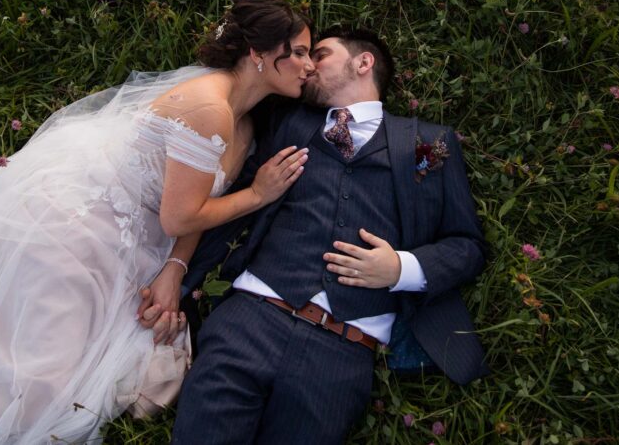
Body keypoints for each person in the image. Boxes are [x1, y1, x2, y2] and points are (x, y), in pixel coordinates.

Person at [0, 0, 314, 445]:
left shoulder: (245, 124)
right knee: (37, 381)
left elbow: (190, 208)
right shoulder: (209, 109)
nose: (309, 66)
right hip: (70, 229)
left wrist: (175, 268)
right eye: (300, 51)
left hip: (123, 242)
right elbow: (180, 216)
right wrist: (257, 194)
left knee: (53, 377)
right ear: (258, 53)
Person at [171, 26, 489, 444]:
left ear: (363, 62)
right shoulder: (284, 121)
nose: (306, 66)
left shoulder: (428, 144)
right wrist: (176, 273)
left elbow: (468, 245)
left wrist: (400, 268)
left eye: (319, 55)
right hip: (249, 322)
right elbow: (217, 191)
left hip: (340, 354)